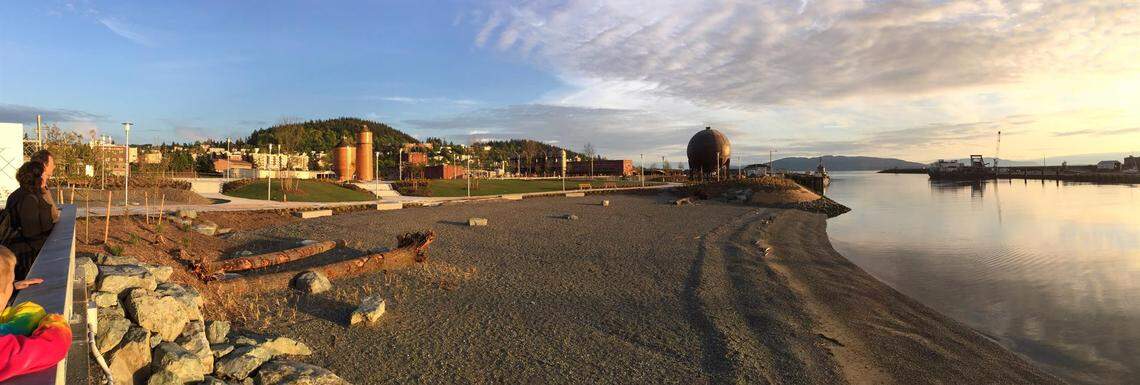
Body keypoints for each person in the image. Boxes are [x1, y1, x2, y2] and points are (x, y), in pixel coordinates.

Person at [4, 161, 60, 280]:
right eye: (44, 175)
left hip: (18, 254)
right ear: (37, 177)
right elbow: (32, 234)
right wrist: (49, 252)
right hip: (27, 259)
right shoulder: (29, 198)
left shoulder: (18, 194)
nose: (46, 178)